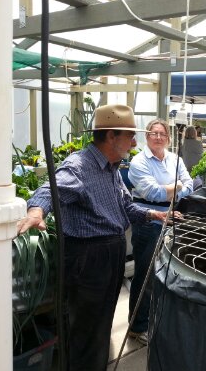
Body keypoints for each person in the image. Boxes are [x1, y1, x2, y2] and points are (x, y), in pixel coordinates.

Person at [17, 104, 173, 371]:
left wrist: (151, 215)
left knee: (101, 325)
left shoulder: (112, 168)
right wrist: (36, 210)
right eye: (129, 135)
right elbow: (49, 189)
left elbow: (125, 206)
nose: (135, 142)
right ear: (111, 136)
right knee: (86, 329)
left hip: (109, 254)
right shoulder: (80, 165)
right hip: (88, 259)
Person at [127, 119, 193, 344]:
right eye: (153, 133)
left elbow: (190, 184)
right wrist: (177, 188)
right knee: (145, 276)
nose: (158, 137)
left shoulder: (175, 159)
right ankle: (137, 326)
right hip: (147, 223)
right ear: (147, 136)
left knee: (163, 275)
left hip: (172, 219)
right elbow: (152, 193)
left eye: (162, 134)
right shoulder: (139, 161)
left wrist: (173, 190)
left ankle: (152, 319)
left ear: (168, 137)